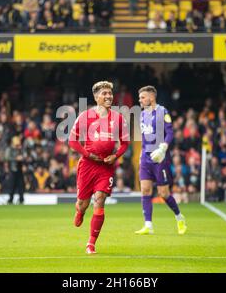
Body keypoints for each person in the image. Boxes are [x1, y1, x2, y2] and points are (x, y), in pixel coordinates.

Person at [68, 81, 129, 254]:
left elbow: (125, 144)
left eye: (110, 93)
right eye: (104, 93)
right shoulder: (85, 116)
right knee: (82, 204)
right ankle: (79, 211)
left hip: (105, 167)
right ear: (96, 97)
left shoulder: (118, 118)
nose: (109, 96)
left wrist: (115, 156)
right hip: (87, 165)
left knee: (100, 198)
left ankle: (91, 243)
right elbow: (72, 141)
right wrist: (88, 155)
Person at [135, 86, 186, 235]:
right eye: (140, 98)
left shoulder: (163, 112)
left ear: (151, 97)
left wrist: (163, 148)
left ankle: (179, 217)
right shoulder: (142, 114)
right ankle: (148, 225)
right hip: (145, 157)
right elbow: (144, 138)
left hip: (160, 157)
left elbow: (170, 132)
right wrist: (140, 155)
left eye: (143, 97)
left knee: (163, 193)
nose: (140, 100)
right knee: (145, 189)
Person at [5, 135, 25, 204]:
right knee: (12, 185)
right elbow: (7, 158)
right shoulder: (9, 149)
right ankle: (10, 199)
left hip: (19, 169)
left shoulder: (20, 149)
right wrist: (16, 158)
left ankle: (21, 199)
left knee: (21, 185)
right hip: (12, 169)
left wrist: (20, 151)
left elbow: (24, 156)